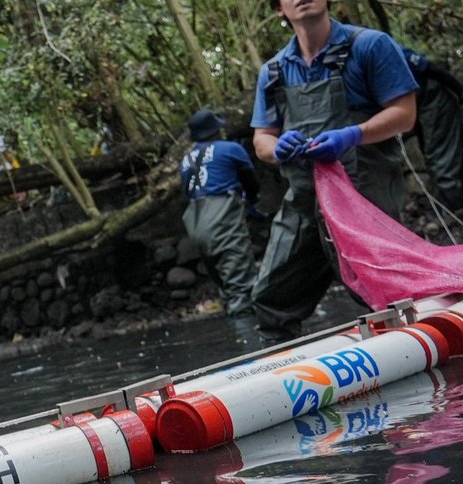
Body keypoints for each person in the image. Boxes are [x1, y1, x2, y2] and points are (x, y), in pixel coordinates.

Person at [249, 0, 418, 342]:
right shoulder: (273, 70)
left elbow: (404, 112)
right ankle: (281, 376)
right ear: (278, 9)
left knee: (386, 294)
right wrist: (278, 150)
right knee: (270, 300)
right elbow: (261, 139)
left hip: (364, 198)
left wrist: (353, 134)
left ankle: (414, 355)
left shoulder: (370, 46)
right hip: (303, 202)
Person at [178, 109, 262, 317]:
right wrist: (253, 204)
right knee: (241, 291)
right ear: (216, 130)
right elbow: (252, 184)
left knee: (226, 288)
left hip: (197, 227)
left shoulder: (186, 160)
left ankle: (238, 338)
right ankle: (255, 345)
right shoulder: (230, 149)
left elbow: (188, 192)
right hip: (223, 220)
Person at [401, 47, 463, 212]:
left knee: (440, 152)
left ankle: (453, 206)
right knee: (428, 151)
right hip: (410, 104)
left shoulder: (377, 47)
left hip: (432, 96)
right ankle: (443, 199)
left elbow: (430, 68)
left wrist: (459, 92)